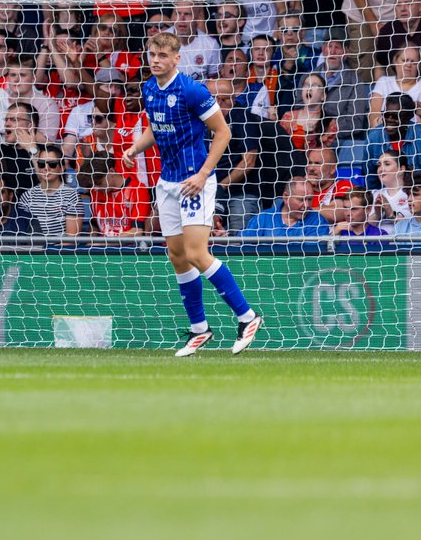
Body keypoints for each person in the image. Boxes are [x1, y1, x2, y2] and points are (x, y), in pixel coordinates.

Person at [121, 31, 263, 357]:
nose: (155, 60)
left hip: (195, 180)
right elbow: (156, 128)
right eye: (151, 55)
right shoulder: (148, 89)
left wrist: (203, 175)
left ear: (176, 58)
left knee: (198, 253)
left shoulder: (192, 90)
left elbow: (223, 131)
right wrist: (135, 147)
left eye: (162, 56)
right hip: (167, 181)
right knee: (177, 255)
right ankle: (199, 329)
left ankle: (247, 316)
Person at [19, 144, 82, 236]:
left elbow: (72, 240)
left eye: (52, 164)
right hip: (33, 249)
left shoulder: (72, 196)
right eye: (41, 164)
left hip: (61, 249)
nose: (46, 168)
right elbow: (22, 232)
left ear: (62, 168)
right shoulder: (27, 197)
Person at [238, 176, 332, 236]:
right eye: (301, 199)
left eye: (310, 199)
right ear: (286, 197)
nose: (306, 205)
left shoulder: (318, 222)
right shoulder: (263, 219)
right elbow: (243, 246)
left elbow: (310, 259)